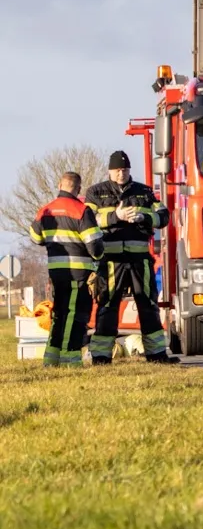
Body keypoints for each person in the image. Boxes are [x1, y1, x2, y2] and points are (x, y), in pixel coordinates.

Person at [85, 150, 175, 363]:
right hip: (111, 260)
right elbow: (88, 219)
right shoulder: (96, 192)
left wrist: (145, 217)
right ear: (109, 170)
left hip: (139, 259)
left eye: (124, 170)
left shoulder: (143, 192)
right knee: (108, 306)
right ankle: (101, 356)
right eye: (117, 170)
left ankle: (157, 355)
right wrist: (116, 216)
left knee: (148, 305)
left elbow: (163, 216)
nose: (121, 173)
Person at [28, 171, 102, 367]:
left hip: (56, 272)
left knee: (59, 313)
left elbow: (35, 238)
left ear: (59, 185)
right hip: (79, 272)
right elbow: (95, 246)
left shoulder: (45, 210)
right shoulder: (81, 210)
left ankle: (51, 358)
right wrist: (99, 258)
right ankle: (70, 359)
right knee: (75, 314)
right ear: (78, 188)